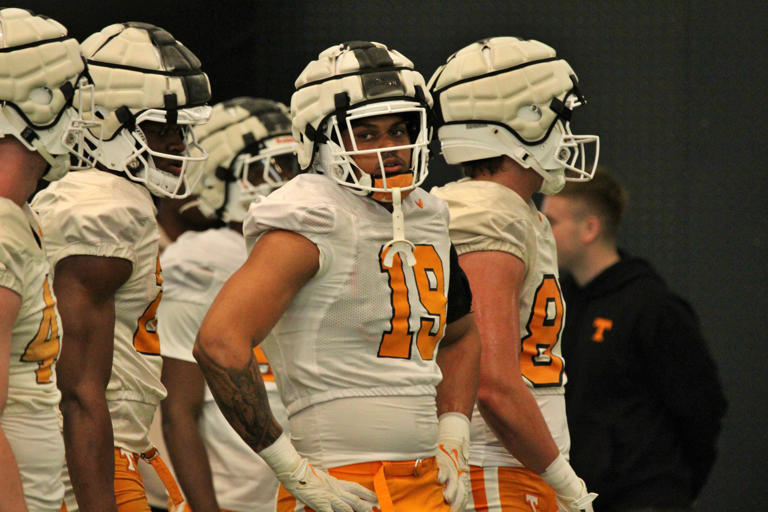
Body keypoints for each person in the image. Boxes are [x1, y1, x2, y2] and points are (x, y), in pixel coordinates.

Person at [194, 41, 481, 512]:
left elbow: (462, 335)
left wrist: (454, 430)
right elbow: (219, 342)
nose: (391, 148)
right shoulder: (314, 216)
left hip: (427, 480)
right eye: (365, 135)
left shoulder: (428, 215)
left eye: (400, 129)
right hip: (342, 480)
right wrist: (291, 468)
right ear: (320, 141)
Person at [32, 22, 212, 512]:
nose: (177, 144)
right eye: (159, 128)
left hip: (108, 450)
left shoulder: (112, 198)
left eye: (182, 129)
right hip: (86, 460)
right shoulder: (103, 207)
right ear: (98, 119)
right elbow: (79, 392)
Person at [429, 36, 599, 512]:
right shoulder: (486, 210)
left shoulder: (512, 209)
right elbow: (493, 383)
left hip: (511, 467)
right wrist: (567, 482)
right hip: (495, 472)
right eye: (559, 116)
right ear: (523, 119)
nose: (567, 132)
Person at [540, 169, 727, 511]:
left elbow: (702, 409)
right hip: (578, 498)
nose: (540, 232)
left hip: (644, 498)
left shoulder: (652, 307)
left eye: (550, 221)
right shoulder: (558, 302)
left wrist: (676, 489)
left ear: (590, 229)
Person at [160, 97, 298, 512]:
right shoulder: (199, 259)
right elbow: (180, 410)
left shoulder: (308, 246)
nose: (288, 178)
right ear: (221, 176)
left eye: (292, 163)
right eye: (272, 165)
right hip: (235, 495)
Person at [0, 8, 92, 511]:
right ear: (33, 101)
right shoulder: (3, 224)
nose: (83, 113)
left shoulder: (23, 215)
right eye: (71, 92)